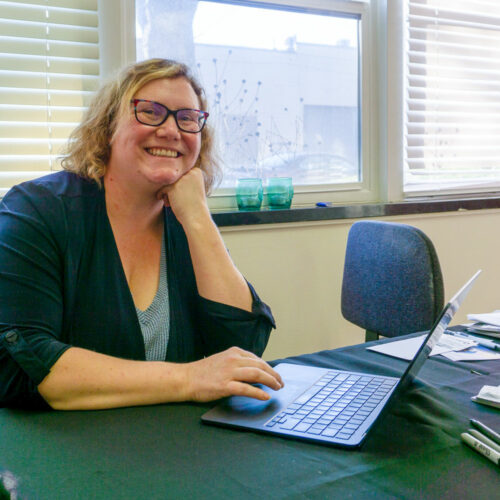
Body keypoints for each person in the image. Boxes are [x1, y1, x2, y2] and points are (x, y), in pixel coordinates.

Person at [0, 58, 283, 410]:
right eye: (149, 112)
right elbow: (23, 362)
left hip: (170, 443)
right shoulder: (36, 210)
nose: (171, 130)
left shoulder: (185, 220)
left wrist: (197, 218)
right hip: (63, 448)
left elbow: (242, 346)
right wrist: (190, 379)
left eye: (187, 119)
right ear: (106, 129)